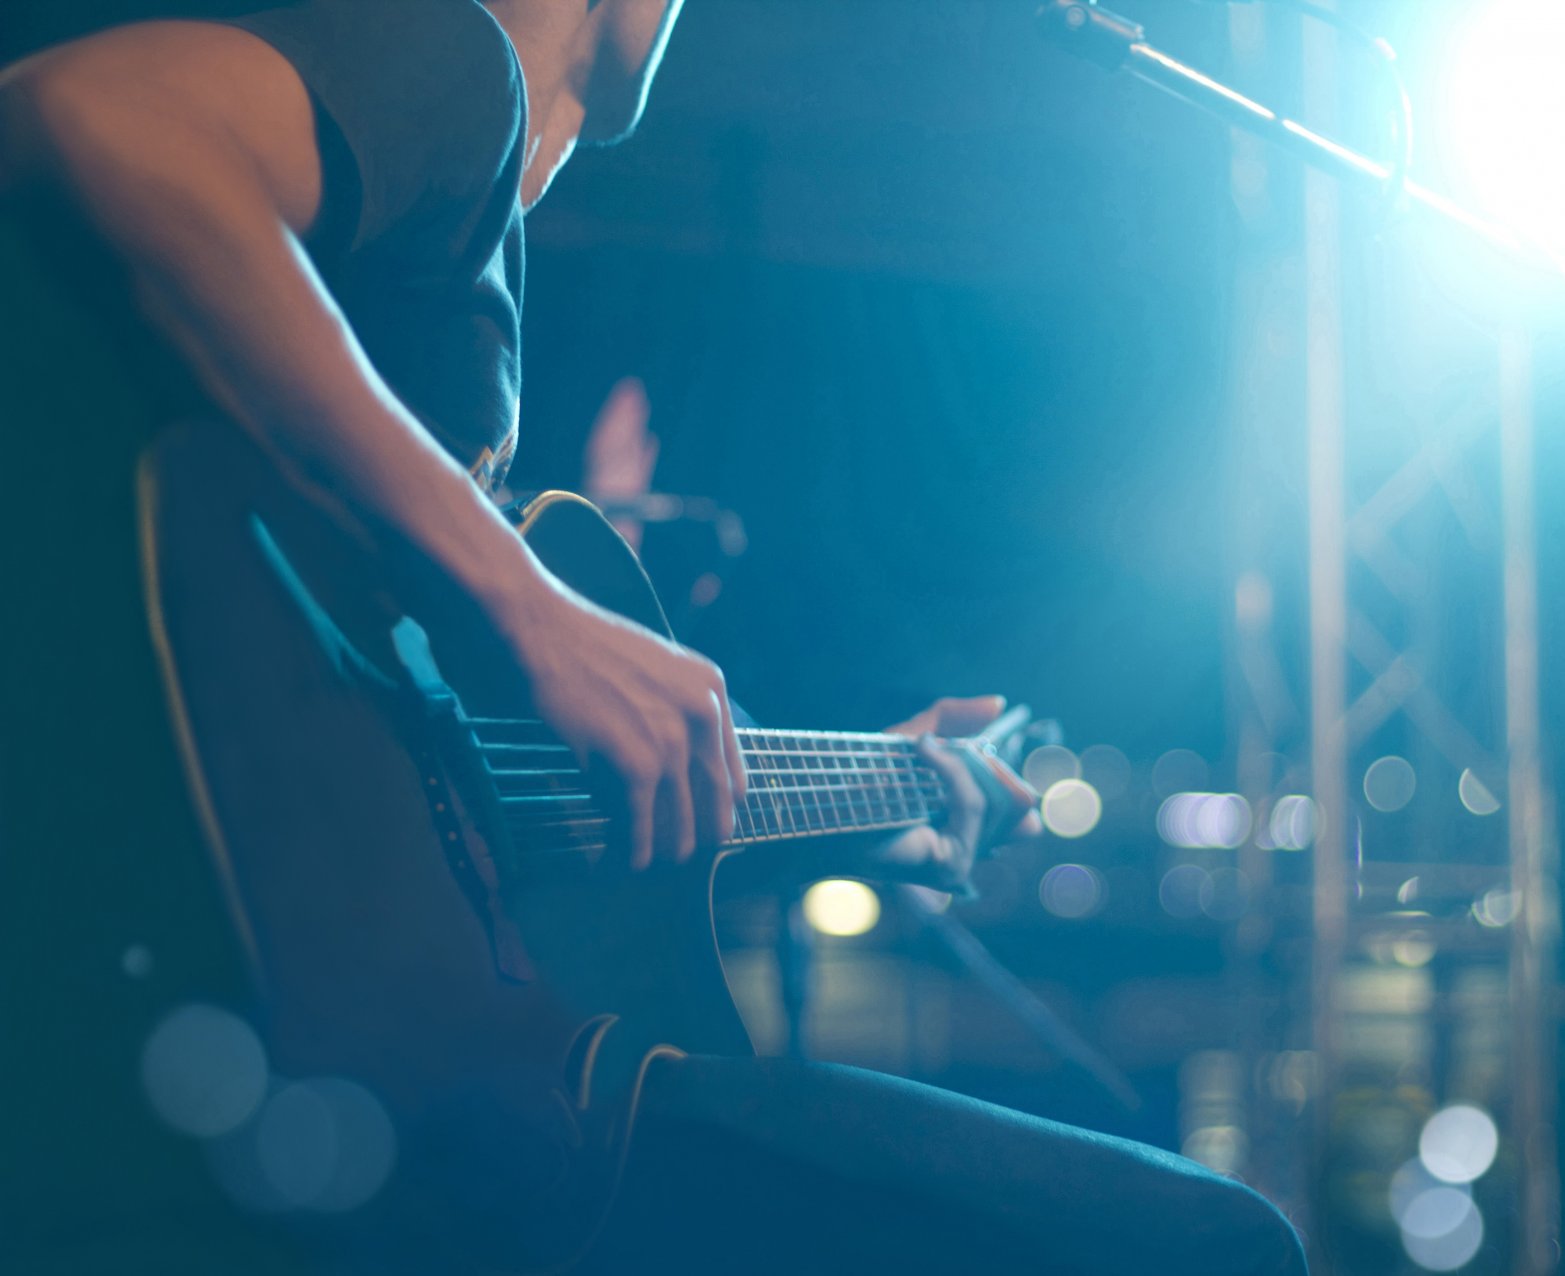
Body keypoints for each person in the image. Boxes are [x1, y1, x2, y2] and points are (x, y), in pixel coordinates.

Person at [0, 1, 1307, 1271]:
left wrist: (859, 799)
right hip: (244, 1029)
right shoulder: (455, 58)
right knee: (1215, 1242)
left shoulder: (448, 257)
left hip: (324, 1072)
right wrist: (528, 611)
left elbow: (456, 813)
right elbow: (94, 113)